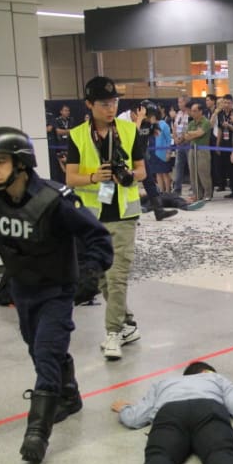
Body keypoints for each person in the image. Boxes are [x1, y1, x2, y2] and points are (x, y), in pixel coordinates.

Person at [0, 127, 113, 463]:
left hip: (57, 290)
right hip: (22, 290)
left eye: (0, 161)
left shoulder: (54, 201)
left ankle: (37, 433)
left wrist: (91, 270)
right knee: (38, 348)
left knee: (46, 351)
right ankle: (69, 397)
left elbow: (97, 237)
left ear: (22, 163)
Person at [66, 76, 149, 361]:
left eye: (114, 102)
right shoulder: (77, 135)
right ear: (89, 105)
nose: (111, 108)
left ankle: (112, 333)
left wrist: (128, 176)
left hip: (124, 214)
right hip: (93, 218)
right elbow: (70, 178)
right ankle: (128, 325)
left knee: (117, 277)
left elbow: (142, 172)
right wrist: (94, 177)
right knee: (102, 277)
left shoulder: (129, 131)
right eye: (104, 104)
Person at [184, 102, 213, 202]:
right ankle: (197, 194)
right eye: (192, 111)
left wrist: (193, 133)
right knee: (193, 173)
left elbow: (200, 133)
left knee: (203, 172)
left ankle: (208, 194)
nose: (192, 113)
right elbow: (186, 136)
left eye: (195, 111)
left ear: (200, 111)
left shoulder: (206, 122)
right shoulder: (191, 123)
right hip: (192, 149)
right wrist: (194, 133)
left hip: (203, 150)